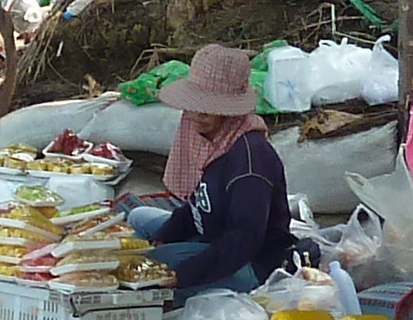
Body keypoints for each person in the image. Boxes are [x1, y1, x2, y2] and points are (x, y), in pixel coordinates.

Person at [126, 44, 298, 299]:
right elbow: (197, 203)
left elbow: (244, 240)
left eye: (209, 107)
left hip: (251, 263)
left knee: (151, 263)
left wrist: (183, 275)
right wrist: (165, 236)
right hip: (211, 233)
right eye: (194, 104)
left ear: (231, 112)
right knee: (138, 217)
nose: (197, 114)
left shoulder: (249, 162)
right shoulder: (211, 139)